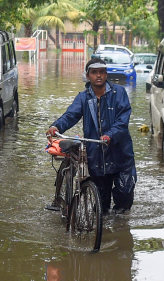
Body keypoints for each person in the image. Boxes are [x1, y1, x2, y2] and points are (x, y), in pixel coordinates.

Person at [47, 57, 137, 214]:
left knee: (125, 196)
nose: (99, 76)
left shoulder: (119, 93)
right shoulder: (83, 98)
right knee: (101, 206)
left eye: (102, 72)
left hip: (121, 155)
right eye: (94, 72)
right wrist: (56, 126)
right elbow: (70, 115)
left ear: (106, 74)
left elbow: (122, 122)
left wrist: (109, 136)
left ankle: (119, 228)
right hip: (97, 158)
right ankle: (104, 233)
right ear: (88, 76)